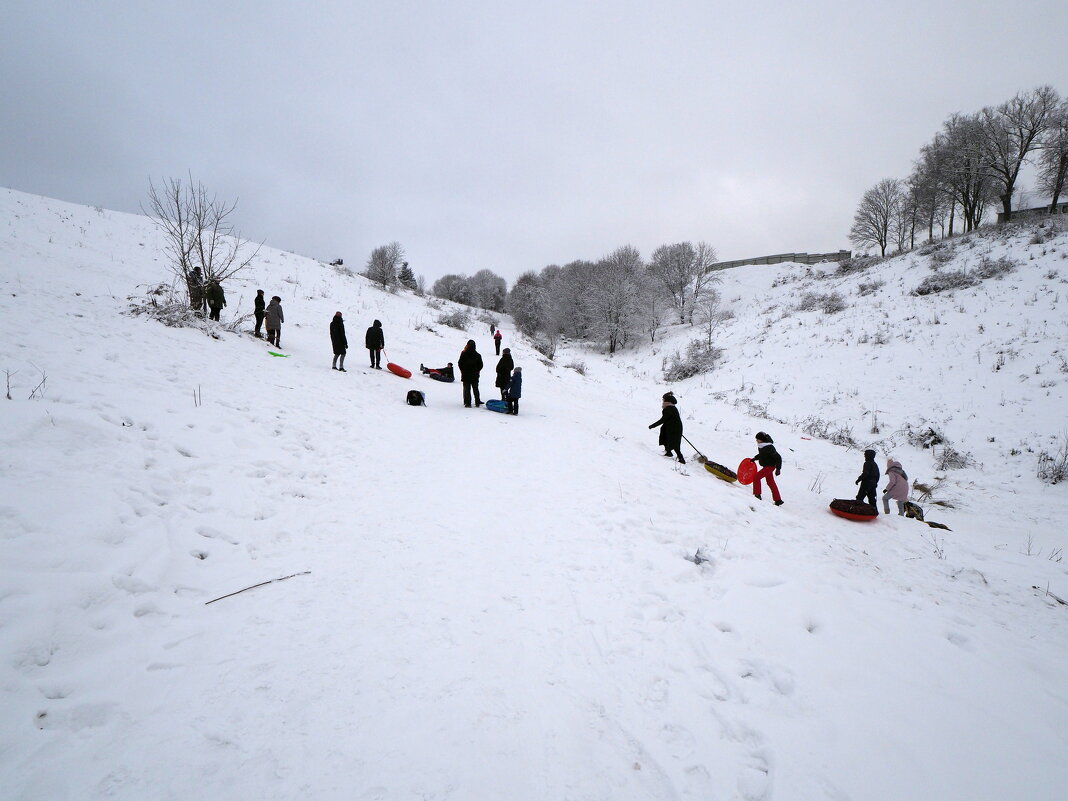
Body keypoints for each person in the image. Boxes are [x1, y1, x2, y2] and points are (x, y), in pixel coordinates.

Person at [649, 392, 685, 463]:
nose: (662, 400)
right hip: (670, 426)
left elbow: (663, 419)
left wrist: (653, 425)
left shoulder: (669, 408)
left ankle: (681, 458)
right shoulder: (670, 407)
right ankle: (668, 452)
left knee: (675, 443)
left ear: (667, 400)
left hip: (675, 428)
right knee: (665, 437)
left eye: (663, 399)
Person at [751, 431, 783, 505]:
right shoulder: (761, 446)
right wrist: (755, 458)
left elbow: (778, 458)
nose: (756, 440)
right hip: (766, 466)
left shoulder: (770, 447)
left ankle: (757, 495)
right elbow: (762, 455)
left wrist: (778, 469)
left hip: (770, 466)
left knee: (756, 477)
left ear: (762, 439)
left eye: (757, 439)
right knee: (770, 482)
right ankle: (778, 500)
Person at [457, 339, 483, 407]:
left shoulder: (464, 354)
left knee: (467, 389)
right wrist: (477, 370)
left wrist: (463, 370)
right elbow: (481, 365)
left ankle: (468, 403)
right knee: (476, 389)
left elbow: (460, 363)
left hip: (466, 374)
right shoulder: (478, 355)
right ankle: (477, 402)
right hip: (475, 374)